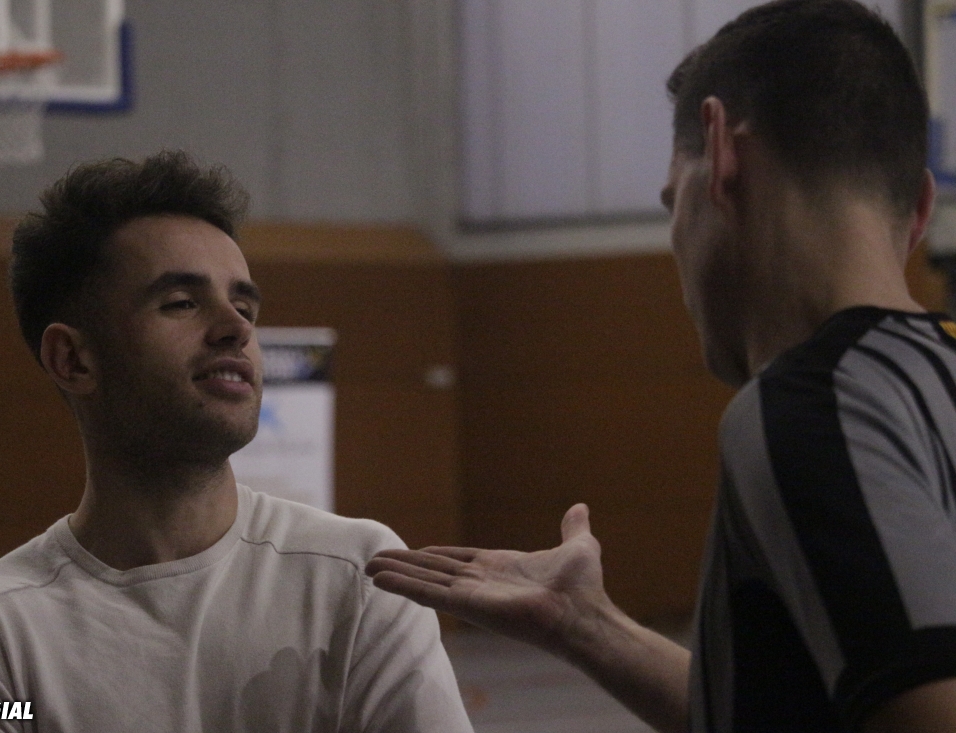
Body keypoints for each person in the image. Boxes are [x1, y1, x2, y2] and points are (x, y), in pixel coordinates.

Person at [366, 1, 956, 731]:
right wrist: (584, 624)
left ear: (723, 152)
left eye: (673, 200)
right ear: (921, 207)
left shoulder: (810, 406)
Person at [0, 151, 473, 732]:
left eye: (244, 305)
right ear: (72, 359)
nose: (237, 328)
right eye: (180, 303)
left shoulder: (360, 577)